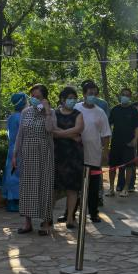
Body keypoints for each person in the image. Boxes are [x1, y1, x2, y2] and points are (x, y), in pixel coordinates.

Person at [16, 84, 60, 235]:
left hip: (44, 153)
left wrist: (47, 111)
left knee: (44, 186)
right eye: (32, 96)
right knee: (27, 187)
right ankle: (27, 223)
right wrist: (15, 154)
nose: (34, 99)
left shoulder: (51, 113)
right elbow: (20, 134)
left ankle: (46, 223)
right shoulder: (25, 112)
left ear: (44, 99)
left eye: (38, 97)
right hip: (27, 153)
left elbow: (50, 129)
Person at [76, 80, 111, 223]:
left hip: (94, 154)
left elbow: (106, 134)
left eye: (95, 94)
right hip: (77, 154)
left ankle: (94, 212)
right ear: (84, 94)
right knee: (75, 186)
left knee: (93, 186)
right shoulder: (76, 108)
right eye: (90, 93)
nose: (92, 96)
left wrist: (105, 152)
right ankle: (70, 213)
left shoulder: (100, 112)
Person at [54, 86, 85, 228]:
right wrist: (71, 136)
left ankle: (70, 217)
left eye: (74, 98)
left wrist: (60, 133)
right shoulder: (54, 114)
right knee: (54, 188)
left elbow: (79, 129)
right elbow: (51, 130)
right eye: (69, 98)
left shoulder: (78, 114)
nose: (72, 101)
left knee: (72, 188)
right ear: (62, 99)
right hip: (57, 154)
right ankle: (48, 217)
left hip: (74, 156)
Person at [108, 87, 138, 197]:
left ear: (130, 97)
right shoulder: (115, 109)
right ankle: (111, 188)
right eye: (123, 94)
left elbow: (137, 126)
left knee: (129, 166)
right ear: (120, 95)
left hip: (129, 143)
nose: (125, 97)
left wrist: (135, 139)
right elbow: (108, 124)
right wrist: (107, 139)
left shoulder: (133, 110)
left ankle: (126, 188)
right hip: (115, 143)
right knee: (112, 166)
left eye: (127, 95)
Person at [4, 93, 26, 212]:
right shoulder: (21, 117)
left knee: (10, 173)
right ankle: (14, 202)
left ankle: (10, 199)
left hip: (11, 148)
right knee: (16, 175)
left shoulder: (11, 117)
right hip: (19, 149)